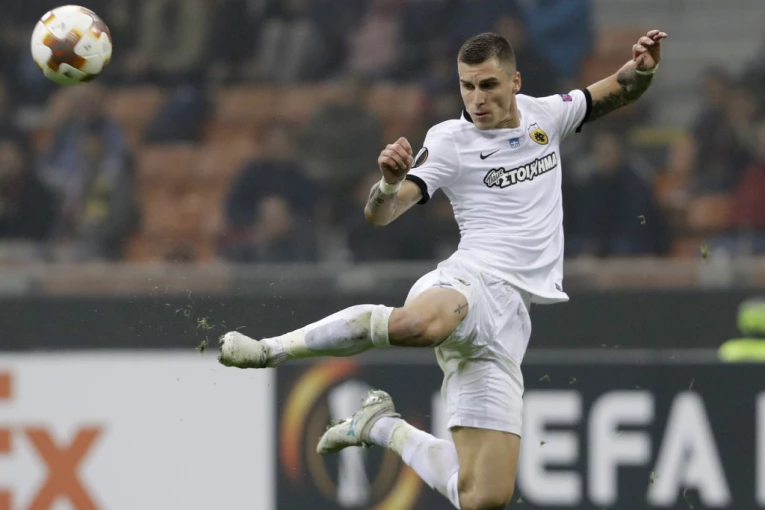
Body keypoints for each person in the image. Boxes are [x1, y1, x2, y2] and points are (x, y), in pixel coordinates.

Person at [218, 29, 668, 510]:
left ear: (515, 82)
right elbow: (380, 215)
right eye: (467, 86)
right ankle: (269, 350)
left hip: (509, 322)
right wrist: (388, 186)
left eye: (488, 85)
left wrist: (643, 69)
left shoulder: (547, 115)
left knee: (483, 498)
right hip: (469, 281)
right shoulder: (450, 140)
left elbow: (620, 89)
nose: (477, 99)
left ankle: (381, 427)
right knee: (420, 324)